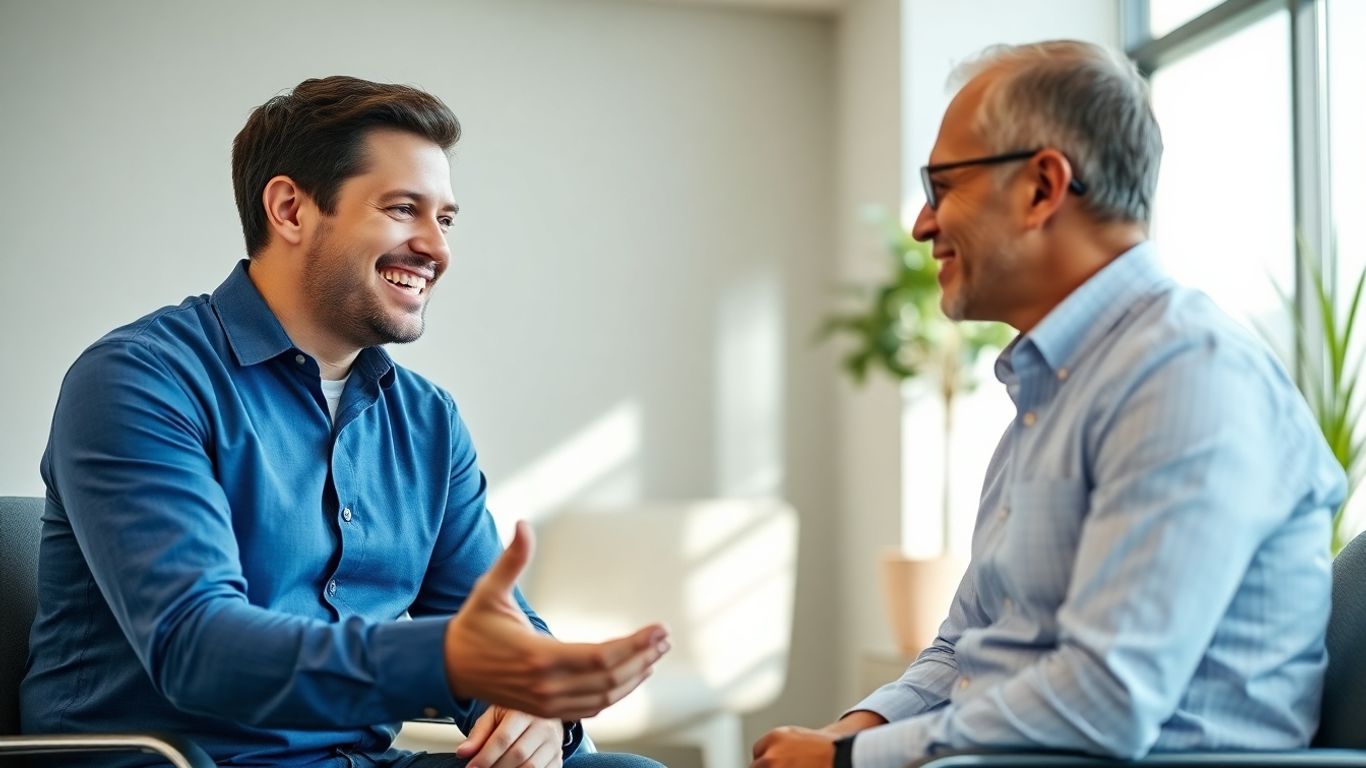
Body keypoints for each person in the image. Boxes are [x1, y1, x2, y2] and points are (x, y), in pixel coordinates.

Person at [22, 75, 669, 768]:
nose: (436, 248)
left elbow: (489, 625)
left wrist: (535, 708)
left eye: (444, 220)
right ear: (291, 210)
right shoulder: (140, 380)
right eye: (402, 209)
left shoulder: (426, 421)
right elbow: (196, 647)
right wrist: (448, 658)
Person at [751, 40, 1346, 768]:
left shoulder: (1187, 375)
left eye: (943, 186)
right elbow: (964, 645)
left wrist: (851, 762)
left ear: (1041, 187)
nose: (922, 224)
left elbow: (1107, 697)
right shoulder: (1050, 395)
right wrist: (849, 732)